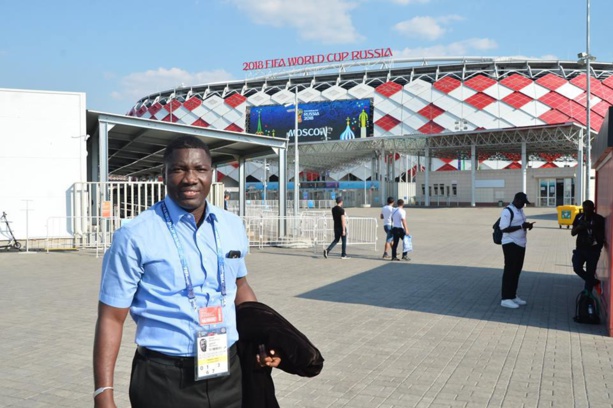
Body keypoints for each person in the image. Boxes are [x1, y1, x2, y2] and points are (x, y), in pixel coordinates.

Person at [93, 135, 280, 408]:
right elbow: (111, 317)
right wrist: (103, 393)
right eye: (179, 169)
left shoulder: (232, 226)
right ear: (163, 176)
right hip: (164, 378)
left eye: (200, 169)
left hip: (229, 372)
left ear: (211, 174)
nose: (190, 178)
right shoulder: (134, 236)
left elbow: (240, 286)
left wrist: (262, 337)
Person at [499, 192, 534, 309]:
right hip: (510, 244)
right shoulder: (507, 211)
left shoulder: (519, 210)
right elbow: (504, 228)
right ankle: (505, 298)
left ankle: (513, 296)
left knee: (516, 271)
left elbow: (520, 224)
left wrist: (527, 226)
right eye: (523, 203)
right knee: (510, 271)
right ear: (517, 200)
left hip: (520, 244)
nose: (524, 205)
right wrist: (521, 227)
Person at [571, 200, 605, 294]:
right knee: (577, 267)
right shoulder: (579, 217)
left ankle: (587, 295)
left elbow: (602, 235)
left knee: (590, 272)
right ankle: (594, 282)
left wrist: (591, 227)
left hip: (593, 250)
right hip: (580, 248)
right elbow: (573, 233)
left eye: (588, 210)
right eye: (584, 210)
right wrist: (579, 227)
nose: (586, 212)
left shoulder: (598, 219)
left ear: (593, 209)